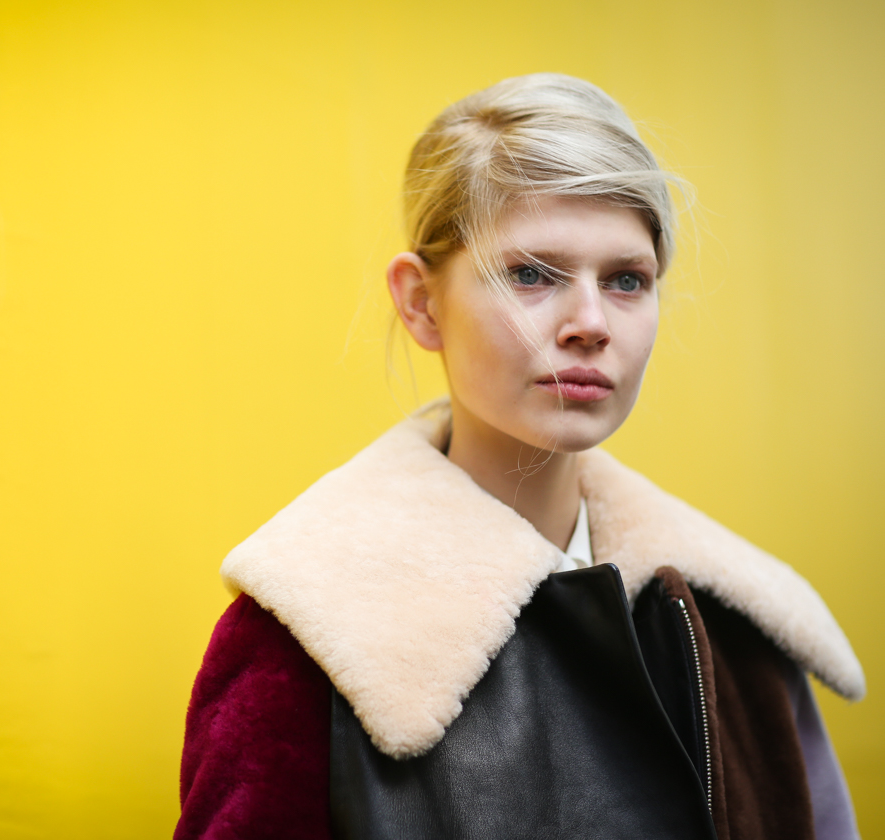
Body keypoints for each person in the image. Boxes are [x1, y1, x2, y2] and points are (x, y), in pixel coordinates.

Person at [174, 74, 863, 840]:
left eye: (627, 279)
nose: (590, 322)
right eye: (531, 273)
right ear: (420, 303)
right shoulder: (303, 641)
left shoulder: (736, 626)